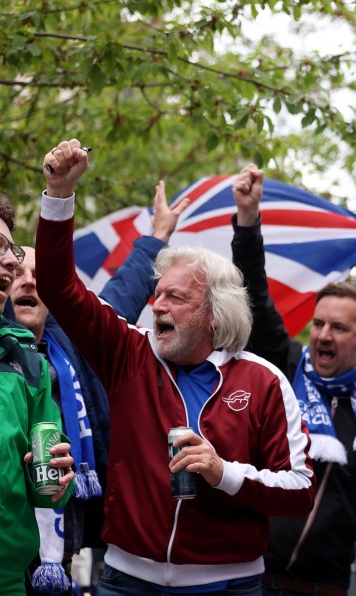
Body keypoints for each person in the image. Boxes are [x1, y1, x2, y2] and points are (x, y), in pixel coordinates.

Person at [36, 139, 316, 594]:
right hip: (126, 581)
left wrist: (221, 472)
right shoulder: (128, 352)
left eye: (175, 297)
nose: (157, 305)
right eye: (157, 293)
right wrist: (59, 195)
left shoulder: (263, 380)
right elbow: (58, 286)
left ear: (214, 313)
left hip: (230, 585)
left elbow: (301, 491)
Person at [230, 164, 356, 596]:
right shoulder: (284, 365)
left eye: (339, 328)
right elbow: (252, 290)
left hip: (327, 588)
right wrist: (248, 219)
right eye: (319, 324)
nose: (324, 335)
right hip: (253, 579)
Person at [9, 182, 189, 595]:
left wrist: (158, 236)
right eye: (17, 274)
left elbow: (123, 293)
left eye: (40, 276)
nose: (28, 283)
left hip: (65, 541)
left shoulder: (78, 344)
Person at [0, 197, 76, 596]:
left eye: (11, 251)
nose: (13, 264)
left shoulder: (30, 361)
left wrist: (58, 476)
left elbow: (45, 489)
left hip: (11, 580)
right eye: (2, 248)